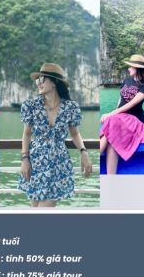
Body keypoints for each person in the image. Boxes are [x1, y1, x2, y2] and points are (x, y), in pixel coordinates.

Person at [18, 62, 92, 207]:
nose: (38, 83)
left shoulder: (71, 107)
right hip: (36, 162)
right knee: (34, 209)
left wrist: (83, 152)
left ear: (54, 82)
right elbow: (26, 134)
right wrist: (24, 159)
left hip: (58, 164)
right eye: (37, 80)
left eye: (41, 79)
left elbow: (75, 133)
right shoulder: (30, 106)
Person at [100, 55, 144, 175]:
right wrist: (114, 114)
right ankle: (111, 178)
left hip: (135, 121)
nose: (128, 68)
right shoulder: (127, 80)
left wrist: (111, 114)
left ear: (137, 68)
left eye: (131, 66)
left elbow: (131, 104)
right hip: (120, 118)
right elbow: (120, 101)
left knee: (111, 124)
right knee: (111, 137)